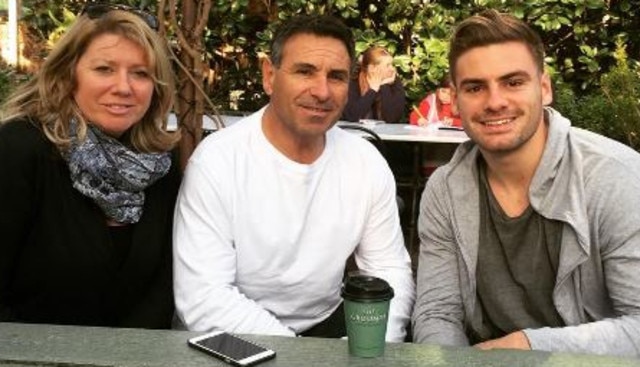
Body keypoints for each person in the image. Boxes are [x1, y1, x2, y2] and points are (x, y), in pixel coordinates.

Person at [412, 9, 640, 359]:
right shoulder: (445, 190)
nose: (495, 102)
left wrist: (526, 347)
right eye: (475, 87)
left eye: (513, 82)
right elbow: (437, 313)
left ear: (544, 88)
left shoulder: (617, 178)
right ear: (456, 101)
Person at [173, 15, 415, 341]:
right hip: (227, 335)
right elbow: (205, 297)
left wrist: (369, 344)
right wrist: (303, 357)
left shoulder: (366, 162)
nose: (322, 91)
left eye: (337, 76)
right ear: (269, 76)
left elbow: (389, 271)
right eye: (305, 71)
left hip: (328, 325)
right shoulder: (217, 161)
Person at [0, 3, 180, 328]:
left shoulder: (160, 163)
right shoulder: (18, 150)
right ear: (68, 75)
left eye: (140, 73)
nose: (124, 87)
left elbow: (164, 287)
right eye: (104, 69)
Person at [342, 46, 406, 123]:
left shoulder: (394, 83)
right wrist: (373, 90)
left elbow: (392, 119)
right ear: (372, 68)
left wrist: (383, 85)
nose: (392, 69)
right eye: (387, 65)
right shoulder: (353, 82)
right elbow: (352, 116)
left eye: (392, 65)